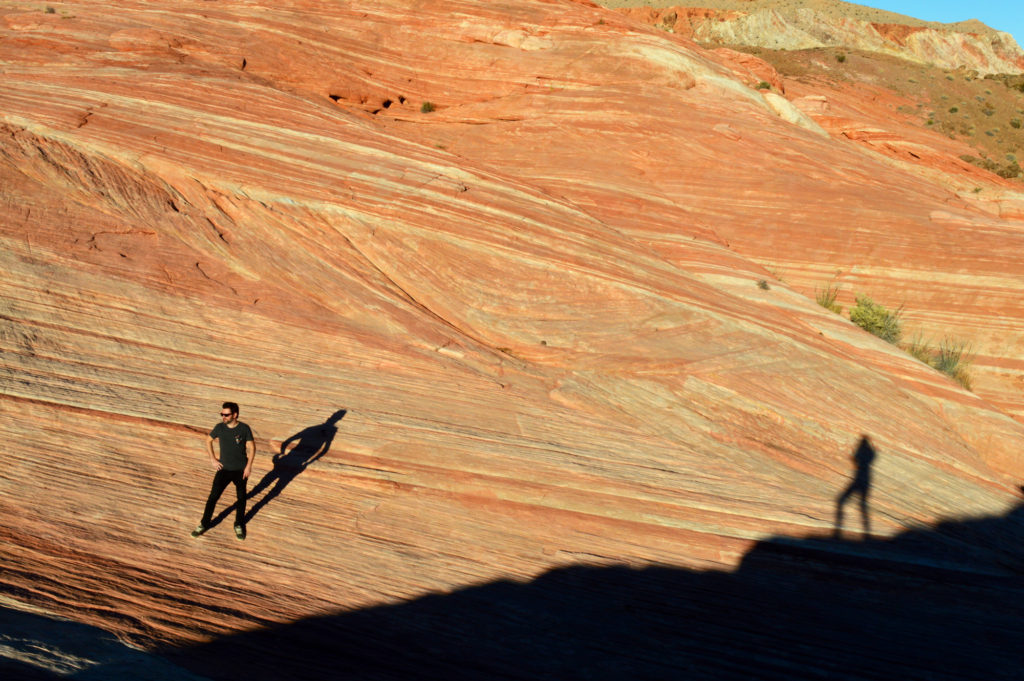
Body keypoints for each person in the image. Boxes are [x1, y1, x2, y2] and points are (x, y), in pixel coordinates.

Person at [191, 402, 255, 540]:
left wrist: (249, 466)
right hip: (224, 469)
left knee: (241, 499)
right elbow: (208, 440)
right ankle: (204, 523)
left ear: (235, 415)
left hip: (240, 470)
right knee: (213, 498)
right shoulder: (219, 428)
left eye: (226, 415)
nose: (223, 417)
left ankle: (238, 524)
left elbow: (252, 446)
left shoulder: (244, 428)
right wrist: (213, 459)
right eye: (222, 414)